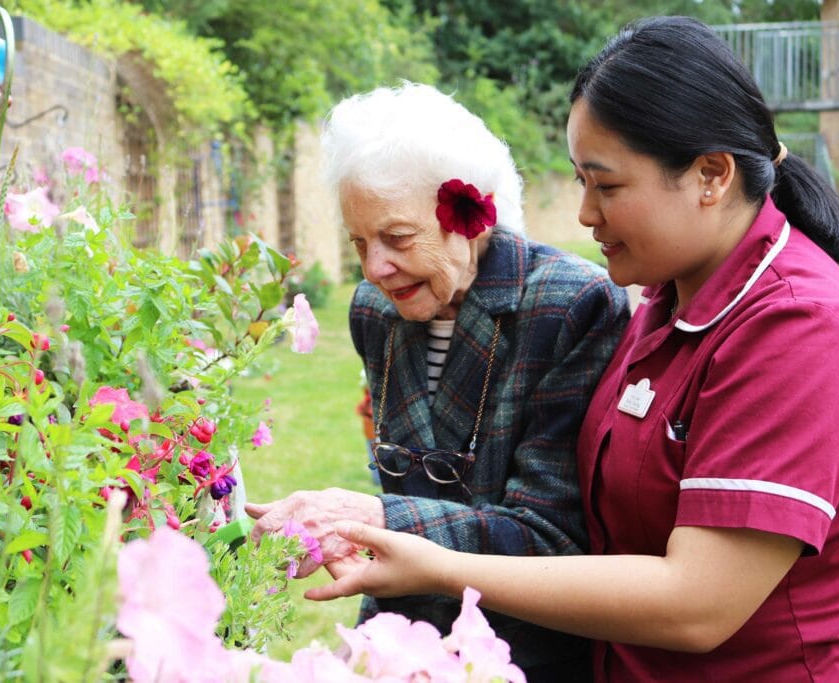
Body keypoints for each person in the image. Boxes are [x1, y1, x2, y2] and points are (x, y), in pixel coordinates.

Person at [305, 16, 839, 682]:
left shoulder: (800, 330)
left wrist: (433, 561)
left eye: (606, 186)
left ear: (711, 175)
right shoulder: (666, 305)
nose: (583, 213)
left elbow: (698, 604)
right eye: (580, 180)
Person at [246, 82, 630, 680]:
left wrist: (374, 518)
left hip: (518, 654)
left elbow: (549, 539)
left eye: (397, 238)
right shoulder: (375, 312)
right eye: (359, 244)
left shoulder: (570, 305)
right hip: (403, 640)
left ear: (469, 216)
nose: (375, 269)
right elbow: (404, 475)